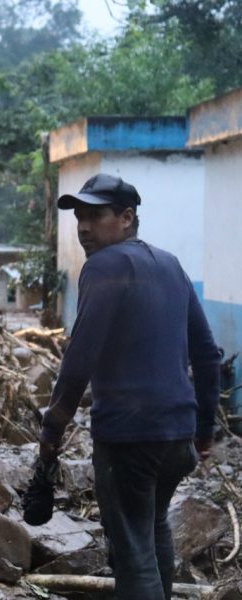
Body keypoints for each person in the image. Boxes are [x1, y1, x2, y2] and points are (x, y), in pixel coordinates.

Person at [38, 173, 221, 600]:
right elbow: (207, 354)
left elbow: (80, 357)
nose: (83, 226)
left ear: (126, 218)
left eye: (95, 215)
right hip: (177, 438)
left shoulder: (104, 266)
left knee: (133, 551)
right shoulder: (171, 265)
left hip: (129, 438)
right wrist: (204, 431)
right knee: (152, 526)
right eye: (79, 217)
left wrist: (51, 431)